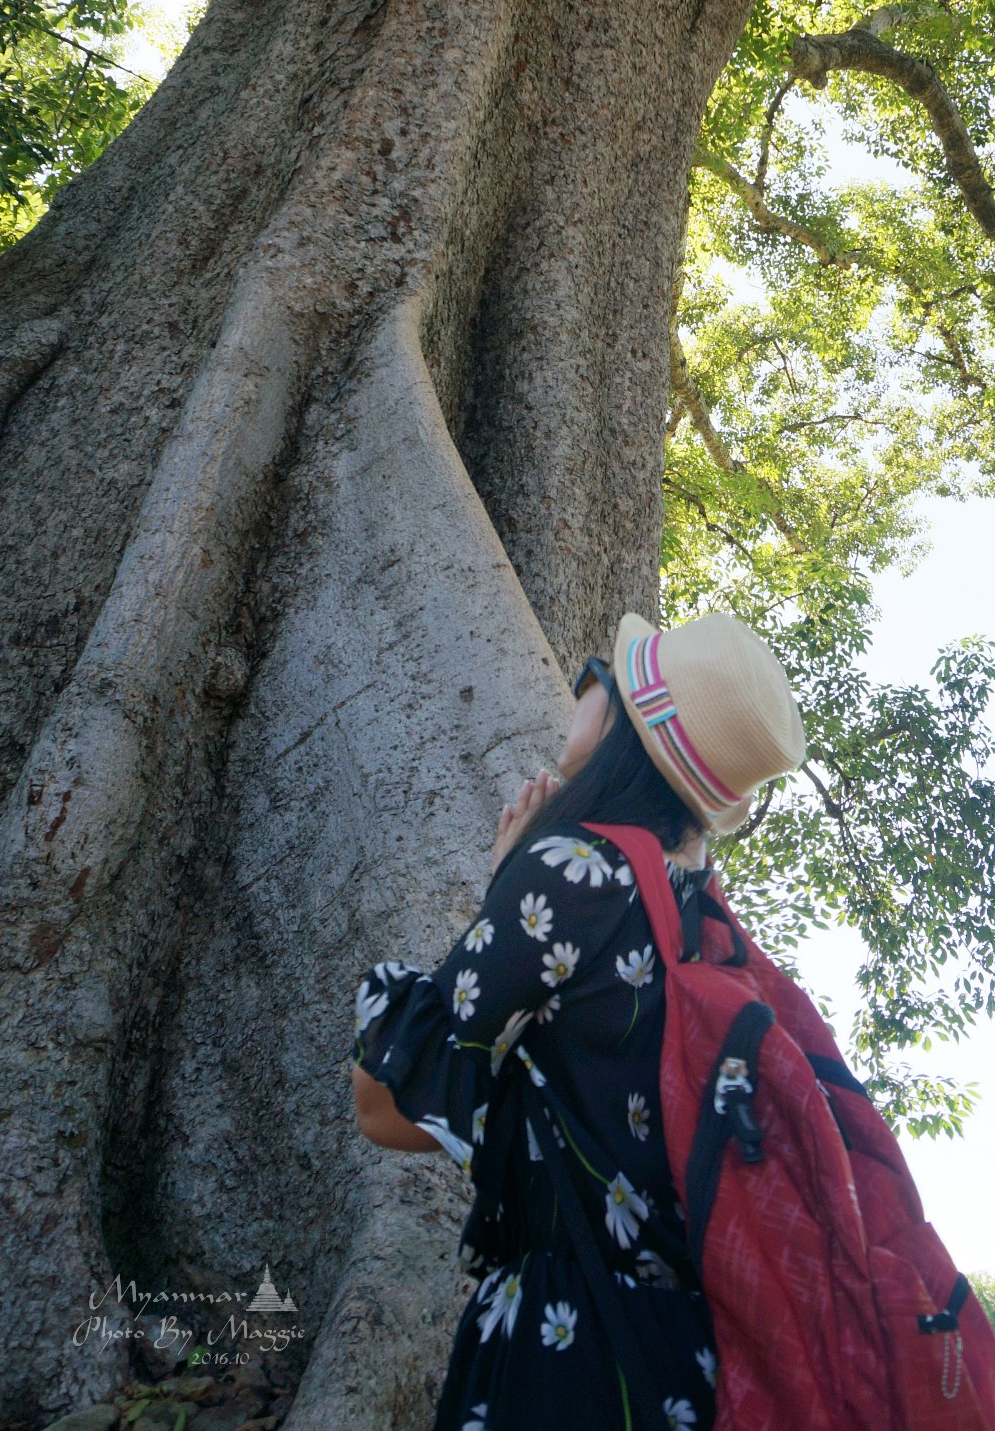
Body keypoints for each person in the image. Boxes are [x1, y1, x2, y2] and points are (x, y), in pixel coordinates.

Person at [348, 608, 807, 1431]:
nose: (583, 682)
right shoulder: (703, 927)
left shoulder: (574, 872)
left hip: (566, 1348)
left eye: (606, 678)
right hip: (685, 1357)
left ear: (628, 733)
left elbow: (386, 1105)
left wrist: (508, 888)